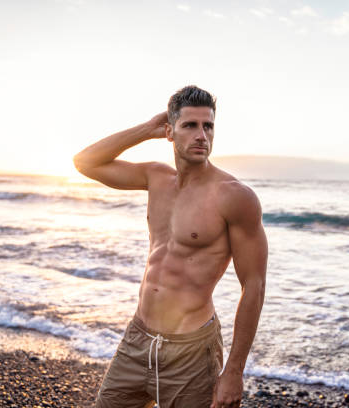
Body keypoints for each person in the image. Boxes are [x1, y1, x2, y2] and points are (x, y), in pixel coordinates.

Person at [73, 85, 268, 408]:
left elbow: (254, 285)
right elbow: (85, 163)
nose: (201, 135)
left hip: (192, 352)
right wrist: (146, 129)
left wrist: (234, 369)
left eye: (208, 126)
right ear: (170, 132)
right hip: (137, 340)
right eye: (189, 125)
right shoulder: (155, 178)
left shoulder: (234, 196)